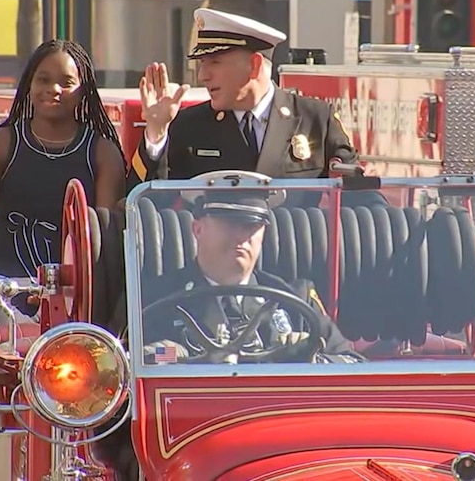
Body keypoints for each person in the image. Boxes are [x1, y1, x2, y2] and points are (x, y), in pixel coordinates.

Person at [94, 170, 362, 481]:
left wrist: (312, 361)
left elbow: (353, 364)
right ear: (198, 228)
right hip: (187, 448)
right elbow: (114, 376)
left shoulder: (296, 299)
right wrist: (176, 358)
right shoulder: (150, 298)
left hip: (285, 449)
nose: (241, 237)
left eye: (252, 226)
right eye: (229, 223)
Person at [0, 39, 127, 326]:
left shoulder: (103, 153)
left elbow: (105, 249)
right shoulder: (1, 143)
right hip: (3, 289)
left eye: (66, 82)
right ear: (29, 86)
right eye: (43, 80)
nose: (53, 89)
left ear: (83, 91)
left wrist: (67, 292)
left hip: (75, 297)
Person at [124, 7, 364, 196]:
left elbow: (361, 202)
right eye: (201, 64)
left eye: (214, 62)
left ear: (254, 65)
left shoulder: (316, 120)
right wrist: (156, 133)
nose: (203, 76)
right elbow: (140, 205)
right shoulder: (189, 126)